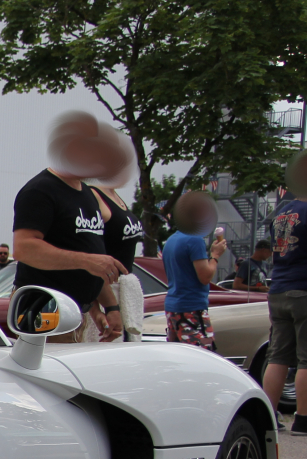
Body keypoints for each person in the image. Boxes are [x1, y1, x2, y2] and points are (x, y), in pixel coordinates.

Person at [11, 111, 128, 342]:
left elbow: (95, 259)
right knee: (48, 376)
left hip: (76, 311)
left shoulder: (87, 194)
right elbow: (23, 248)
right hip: (44, 308)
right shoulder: (40, 190)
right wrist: (88, 261)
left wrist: (109, 307)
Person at [263, 150, 307, 435]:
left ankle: (268, 415)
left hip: (279, 288)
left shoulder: (282, 213)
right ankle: (302, 418)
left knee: (278, 356)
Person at [90, 138, 146, 340]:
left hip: (125, 289)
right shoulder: (93, 194)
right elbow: (90, 252)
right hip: (106, 288)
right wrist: (103, 305)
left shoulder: (115, 195)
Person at [160, 192, 227, 354]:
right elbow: (205, 276)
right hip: (192, 308)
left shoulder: (172, 240)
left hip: (173, 307)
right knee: (203, 354)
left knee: (180, 356)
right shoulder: (194, 239)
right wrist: (215, 256)